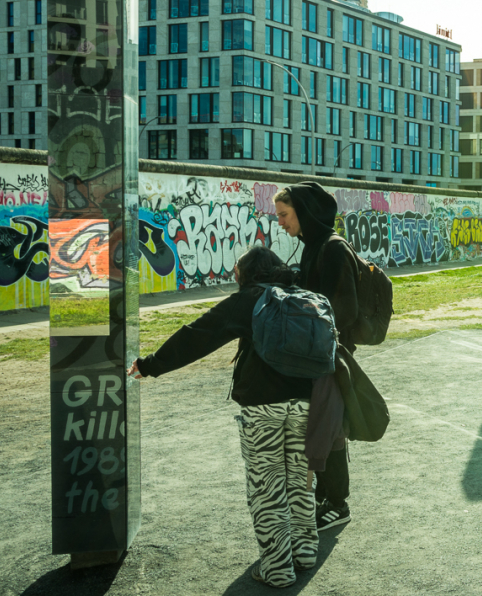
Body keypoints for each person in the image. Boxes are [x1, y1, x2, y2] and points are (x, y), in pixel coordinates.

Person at [128, 246, 317, 588]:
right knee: (301, 478)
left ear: (247, 274)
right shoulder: (304, 295)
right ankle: (304, 552)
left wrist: (150, 365)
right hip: (308, 401)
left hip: (263, 406)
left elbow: (197, 336)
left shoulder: (249, 300)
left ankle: (277, 567)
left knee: (268, 485)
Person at [273, 182, 359, 532]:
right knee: (323, 427)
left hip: (328, 354)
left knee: (329, 429)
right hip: (316, 353)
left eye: (284, 215)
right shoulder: (313, 246)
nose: (280, 222)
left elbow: (346, 309)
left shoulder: (332, 248)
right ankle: (329, 496)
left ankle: (337, 503)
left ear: (303, 212)